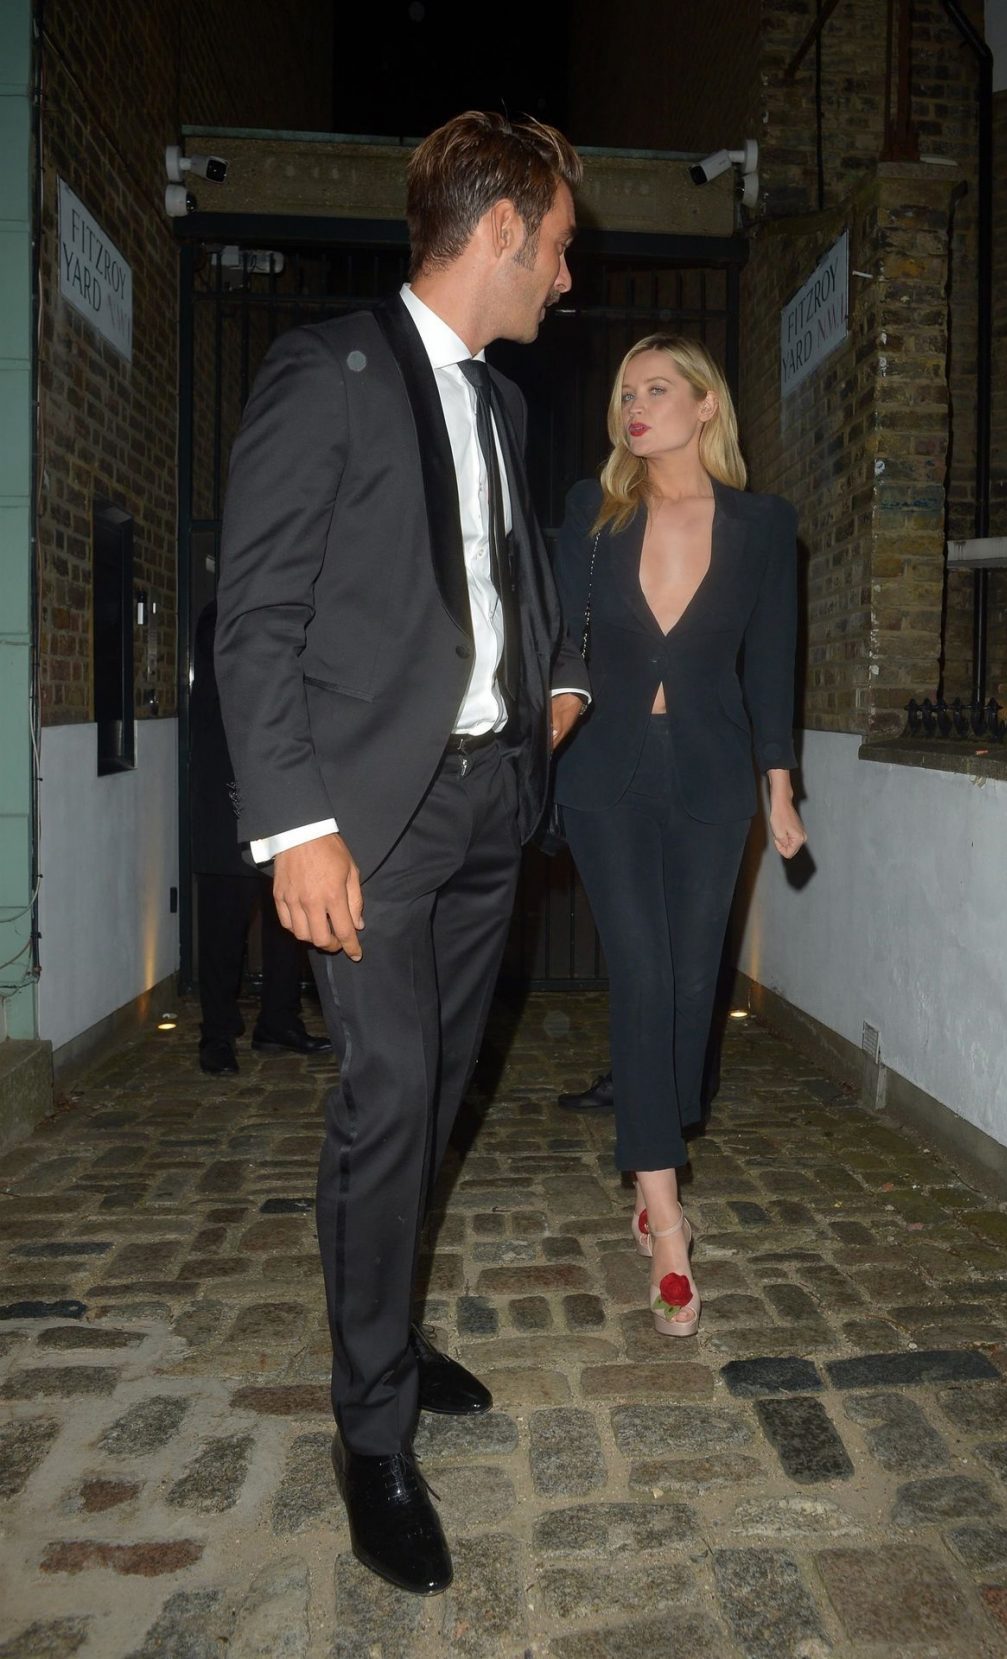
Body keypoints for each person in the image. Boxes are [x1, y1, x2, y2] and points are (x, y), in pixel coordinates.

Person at [215, 111, 587, 1596]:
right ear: (500, 231)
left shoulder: (500, 404)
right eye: (558, 247)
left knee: (433, 1096)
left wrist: (552, 688)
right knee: (389, 1101)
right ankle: (371, 1432)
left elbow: (502, 581)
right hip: (373, 817)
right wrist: (296, 825)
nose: (567, 277)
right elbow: (257, 617)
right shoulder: (329, 373)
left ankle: (390, 1333)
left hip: (491, 802)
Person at [553, 333, 806, 1340]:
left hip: (711, 777)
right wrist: (550, 709)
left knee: (695, 988)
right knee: (645, 976)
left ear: (706, 405)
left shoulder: (761, 525)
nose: (635, 405)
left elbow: (772, 662)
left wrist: (779, 784)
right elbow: (561, 636)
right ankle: (665, 1225)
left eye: (657, 388)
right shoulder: (594, 511)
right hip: (603, 777)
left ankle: (656, 1152)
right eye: (626, 390)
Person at [190, 601, 333, 1075]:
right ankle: (217, 1032)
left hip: (280, 788)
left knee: (287, 917)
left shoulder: (293, 610)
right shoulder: (221, 618)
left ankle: (279, 1020)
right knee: (223, 921)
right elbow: (241, 692)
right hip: (227, 791)